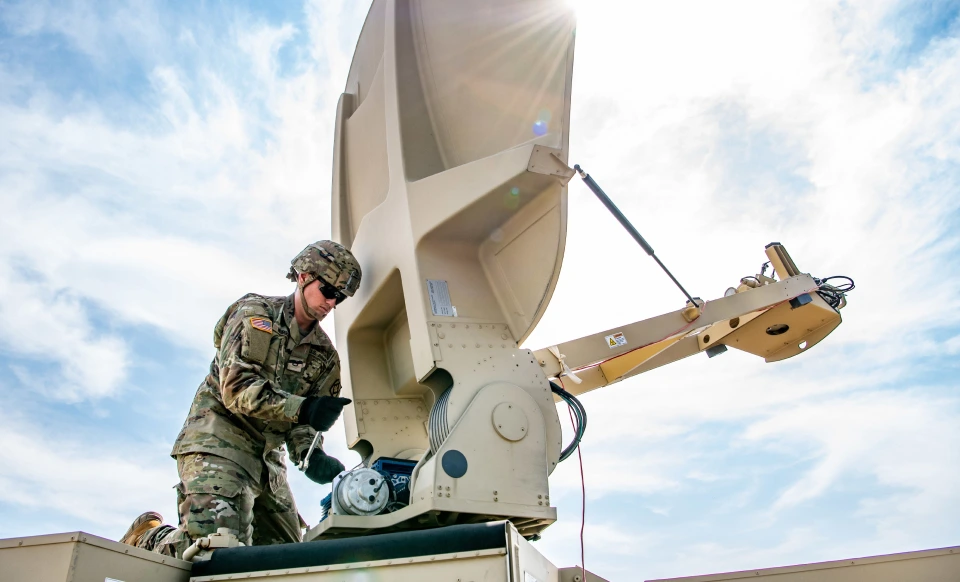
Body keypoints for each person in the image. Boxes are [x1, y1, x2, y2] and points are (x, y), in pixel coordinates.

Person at [120, 241, 361, 558]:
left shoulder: (325, 357)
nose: (331, 302)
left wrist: (311, 456)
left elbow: (304, 422)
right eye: (328, 290)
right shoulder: (255, 315)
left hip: (267, 461)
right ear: (303, 276)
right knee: (215, 550)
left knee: (289, 560)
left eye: (339, 297)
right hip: (218, 442)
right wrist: (303, 408)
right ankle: (149, 539)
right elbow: (236, 388)